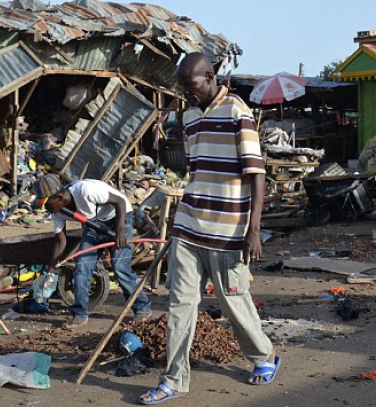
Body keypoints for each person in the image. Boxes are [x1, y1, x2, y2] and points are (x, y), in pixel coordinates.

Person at [139, 53, 280, 405]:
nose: (187, 93)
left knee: (232, 301)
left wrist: (254, 228)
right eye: (183, 87)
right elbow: (197, 169)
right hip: (189, 226)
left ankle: (264, 355)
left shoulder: (237, 111)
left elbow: (256, 172)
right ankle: (174, 380)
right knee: (179, 305)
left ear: (210, 76)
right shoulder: (188, 116)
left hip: (228, 229)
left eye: (192, 85)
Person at [32, 175, 152, 329]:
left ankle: (142, 308)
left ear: (59, 197)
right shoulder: (57, 211)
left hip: (118, 218)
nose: (45, 209)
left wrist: (121, 231)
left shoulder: (86, 190)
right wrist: (50, 272)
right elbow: (61, 241)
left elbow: (120, 202)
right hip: (93, 225)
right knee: (82, 268)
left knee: (120, 267)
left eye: (46, 204)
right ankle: (80, 314)